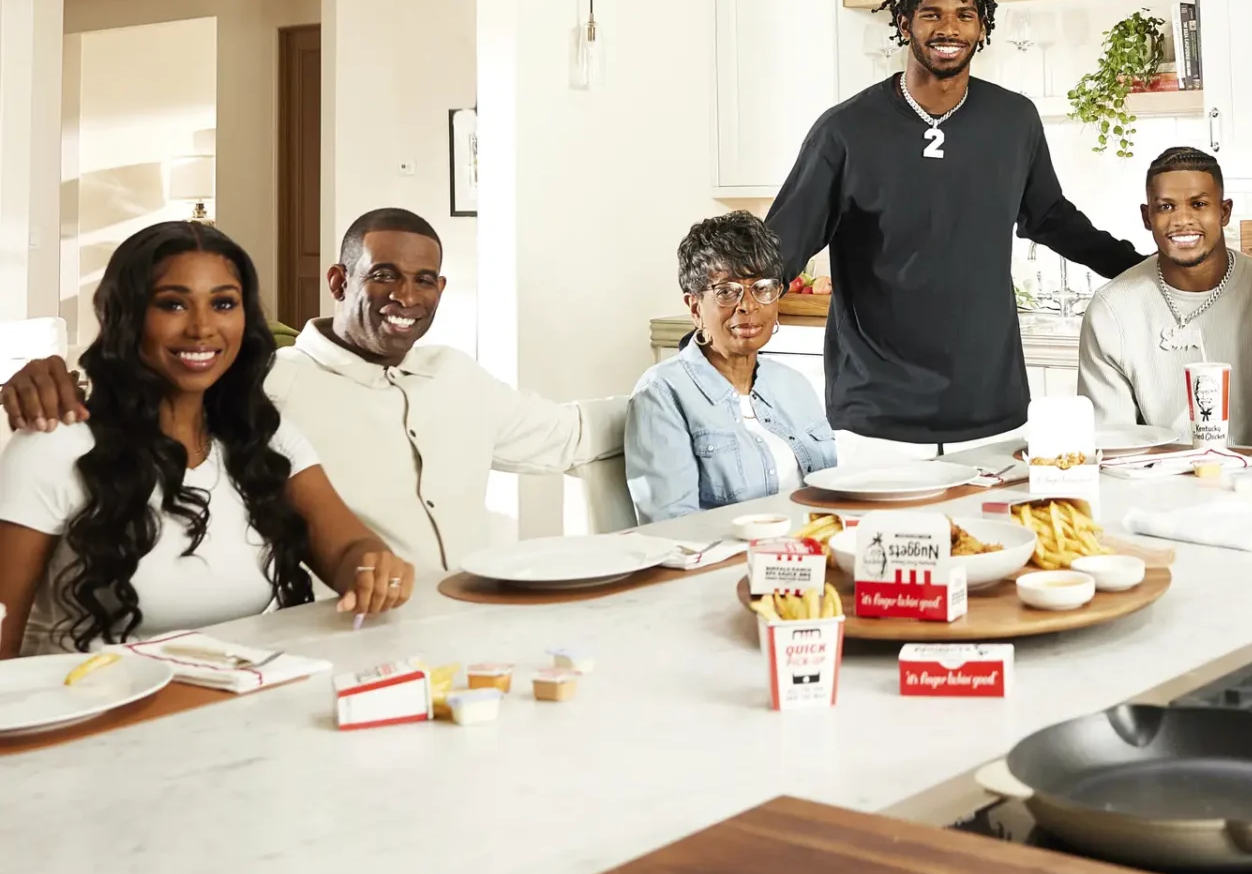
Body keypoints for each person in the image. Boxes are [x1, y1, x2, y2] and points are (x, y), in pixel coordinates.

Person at [0, 209, 627, 569]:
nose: (405, 296)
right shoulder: (269, 383)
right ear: (338, 280)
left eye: (425, 279)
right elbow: (163, 386)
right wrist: (50, 375)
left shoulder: (459, 375)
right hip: (343, 641)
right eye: (383, 275)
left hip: (468, 627)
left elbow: (569, 435)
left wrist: (704, 381)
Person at [767, 0, 1144, 454]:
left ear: (983, 26)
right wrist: (725, 311)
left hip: (988, 403)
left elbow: (1050, 216)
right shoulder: (844, 131)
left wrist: (1141, 269)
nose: (949, 28)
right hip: (877, 412)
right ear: (904, 23)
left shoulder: (1014, 120)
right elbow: (781, 247)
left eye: (964, 14)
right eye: (931, 14)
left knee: (996, 535)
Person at [0, 223, 411, 657]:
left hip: (230, 711)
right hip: (86, 716)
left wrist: (371, 566)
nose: (202, 328)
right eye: (173, 304)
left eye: (223, 303)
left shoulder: (265, 441)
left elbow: (348, 549)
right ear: (127, 315)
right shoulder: (53, 447)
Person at [626, 214, 836, 522]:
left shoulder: (795, 385)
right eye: (726, 291)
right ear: (695, 307)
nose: (748, 305)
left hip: (808, 557)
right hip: (727, 563)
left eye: (762, 288)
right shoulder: (661, 394)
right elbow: (673, 528)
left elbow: (832, 494)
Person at [1077, 146, 1252, 444]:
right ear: (1146, 216)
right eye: (1165, 207)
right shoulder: (1111, 310)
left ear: (1224, 211)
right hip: (1154, 483)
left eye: (1199, 204)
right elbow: (1111, 440)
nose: (1182, 220)